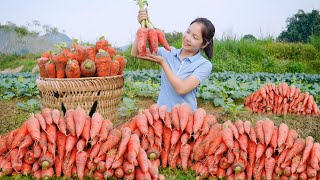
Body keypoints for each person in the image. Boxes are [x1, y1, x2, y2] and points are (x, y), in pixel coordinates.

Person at [131, 10, 215, 112]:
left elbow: (182, 89)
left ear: (204, 44)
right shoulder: (168, 52)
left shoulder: (204, 65)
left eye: (194, 37)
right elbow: (136, 53)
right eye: (188, 32)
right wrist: (141, 30)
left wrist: (163, 63)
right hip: (162, 114)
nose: (187, 38)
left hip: (185, 118)